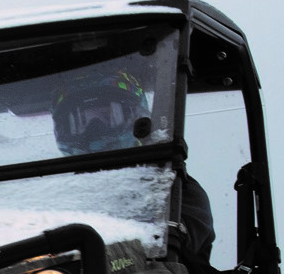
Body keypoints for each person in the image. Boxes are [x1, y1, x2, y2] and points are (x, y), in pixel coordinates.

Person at [52, 69, 216, 263]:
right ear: (64, 130)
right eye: (81, 121)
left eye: (109, 116)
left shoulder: (176, 188)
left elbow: (168, 246)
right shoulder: (62, 198)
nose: (95, 129)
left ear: (137, 118)